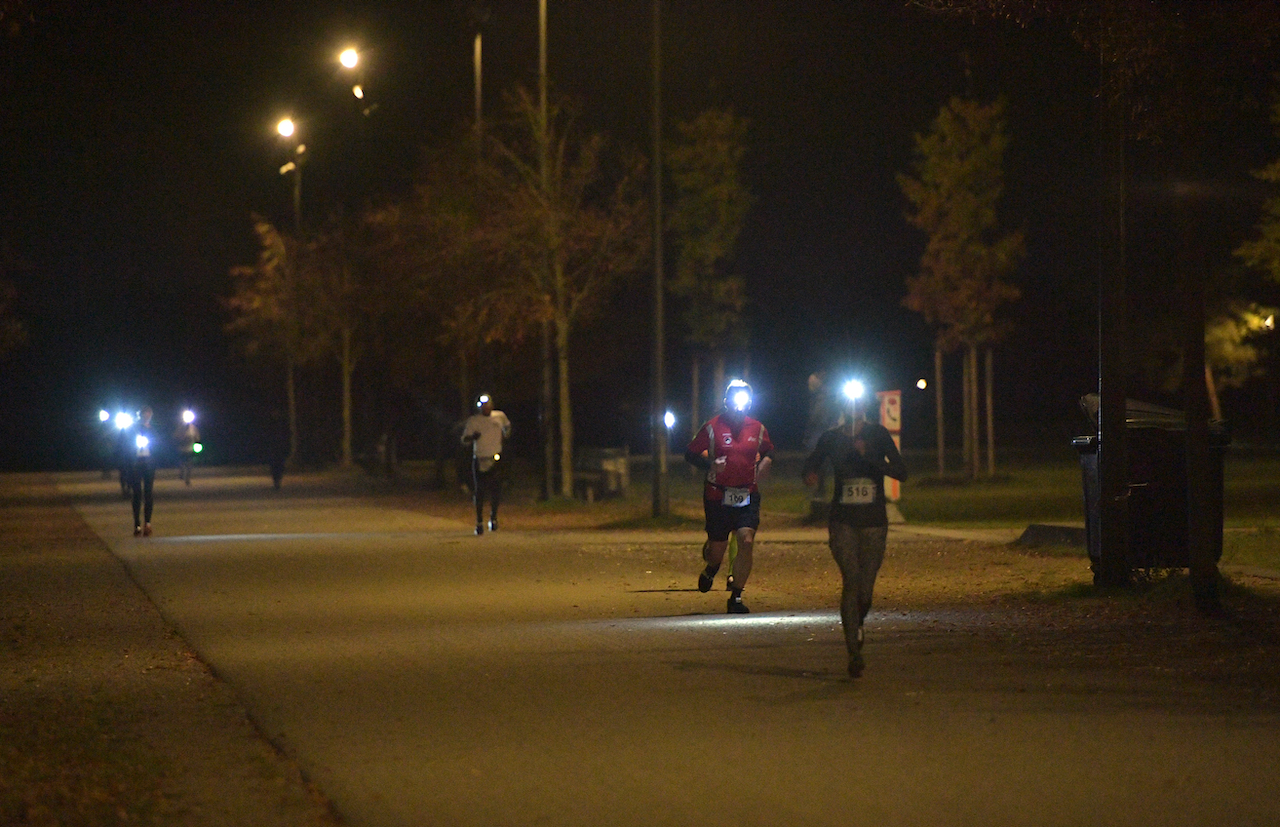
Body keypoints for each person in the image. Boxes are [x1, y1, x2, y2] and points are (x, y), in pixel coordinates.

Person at [802, 381, 908, 678]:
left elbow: (902, 472)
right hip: (843, 521)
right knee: (851, 580)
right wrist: (809, 475)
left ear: (864, 407)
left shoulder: (878, 434)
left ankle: (857, 623)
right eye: (847, 405)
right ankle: (853, 652)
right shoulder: (831, 438)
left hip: (874, 522)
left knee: (865, 591)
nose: (853, 410)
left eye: (857, 404)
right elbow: (811, 464)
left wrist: (871, 460)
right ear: (842, 408)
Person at [685, 379, 774, 614]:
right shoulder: (712, 427)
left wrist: (766, 462)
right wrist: (710, 464)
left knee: (746, 539)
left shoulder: (757, 428)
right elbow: (690, 453)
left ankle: (736, 595)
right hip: (717, 496)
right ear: (726, 402)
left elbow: (769, 451)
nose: (739, 404)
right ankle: (711, 569)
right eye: (735, 399)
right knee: (717, 550)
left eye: (745, 399)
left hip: (747, 493)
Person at [461, 393, 511, 535]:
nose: (486, 408)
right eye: (483, 406)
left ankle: (493, 518)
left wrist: (505, 435)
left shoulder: (499, 416)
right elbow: (464, 439)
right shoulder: (474, 421)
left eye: (488, 405)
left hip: (495, 457)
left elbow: (507, 427)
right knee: (480, 491)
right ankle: (479, 521)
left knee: (495, 489)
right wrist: (473, 437)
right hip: (480, 458)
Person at [128, 406, 159, 536]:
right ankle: (137, 523)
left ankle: (147, 523)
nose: (146, 416)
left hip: (148, 463)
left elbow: (158, 444)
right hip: (136, 462)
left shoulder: (153, 429)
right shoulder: (133, 429)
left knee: (148, 493)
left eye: (148, 414)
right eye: (144, 414)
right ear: (140, 415)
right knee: (136, 493)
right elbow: (126, 444)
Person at [173, 409, 200, 485]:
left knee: (189, 464)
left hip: (190, 449)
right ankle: (181, 473)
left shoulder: (193, 428)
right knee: (182, 463)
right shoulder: (180, 427)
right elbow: (175, 437)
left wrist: (197, 444)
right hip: (181, 449)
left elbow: (197, 437)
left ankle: (187, 478)